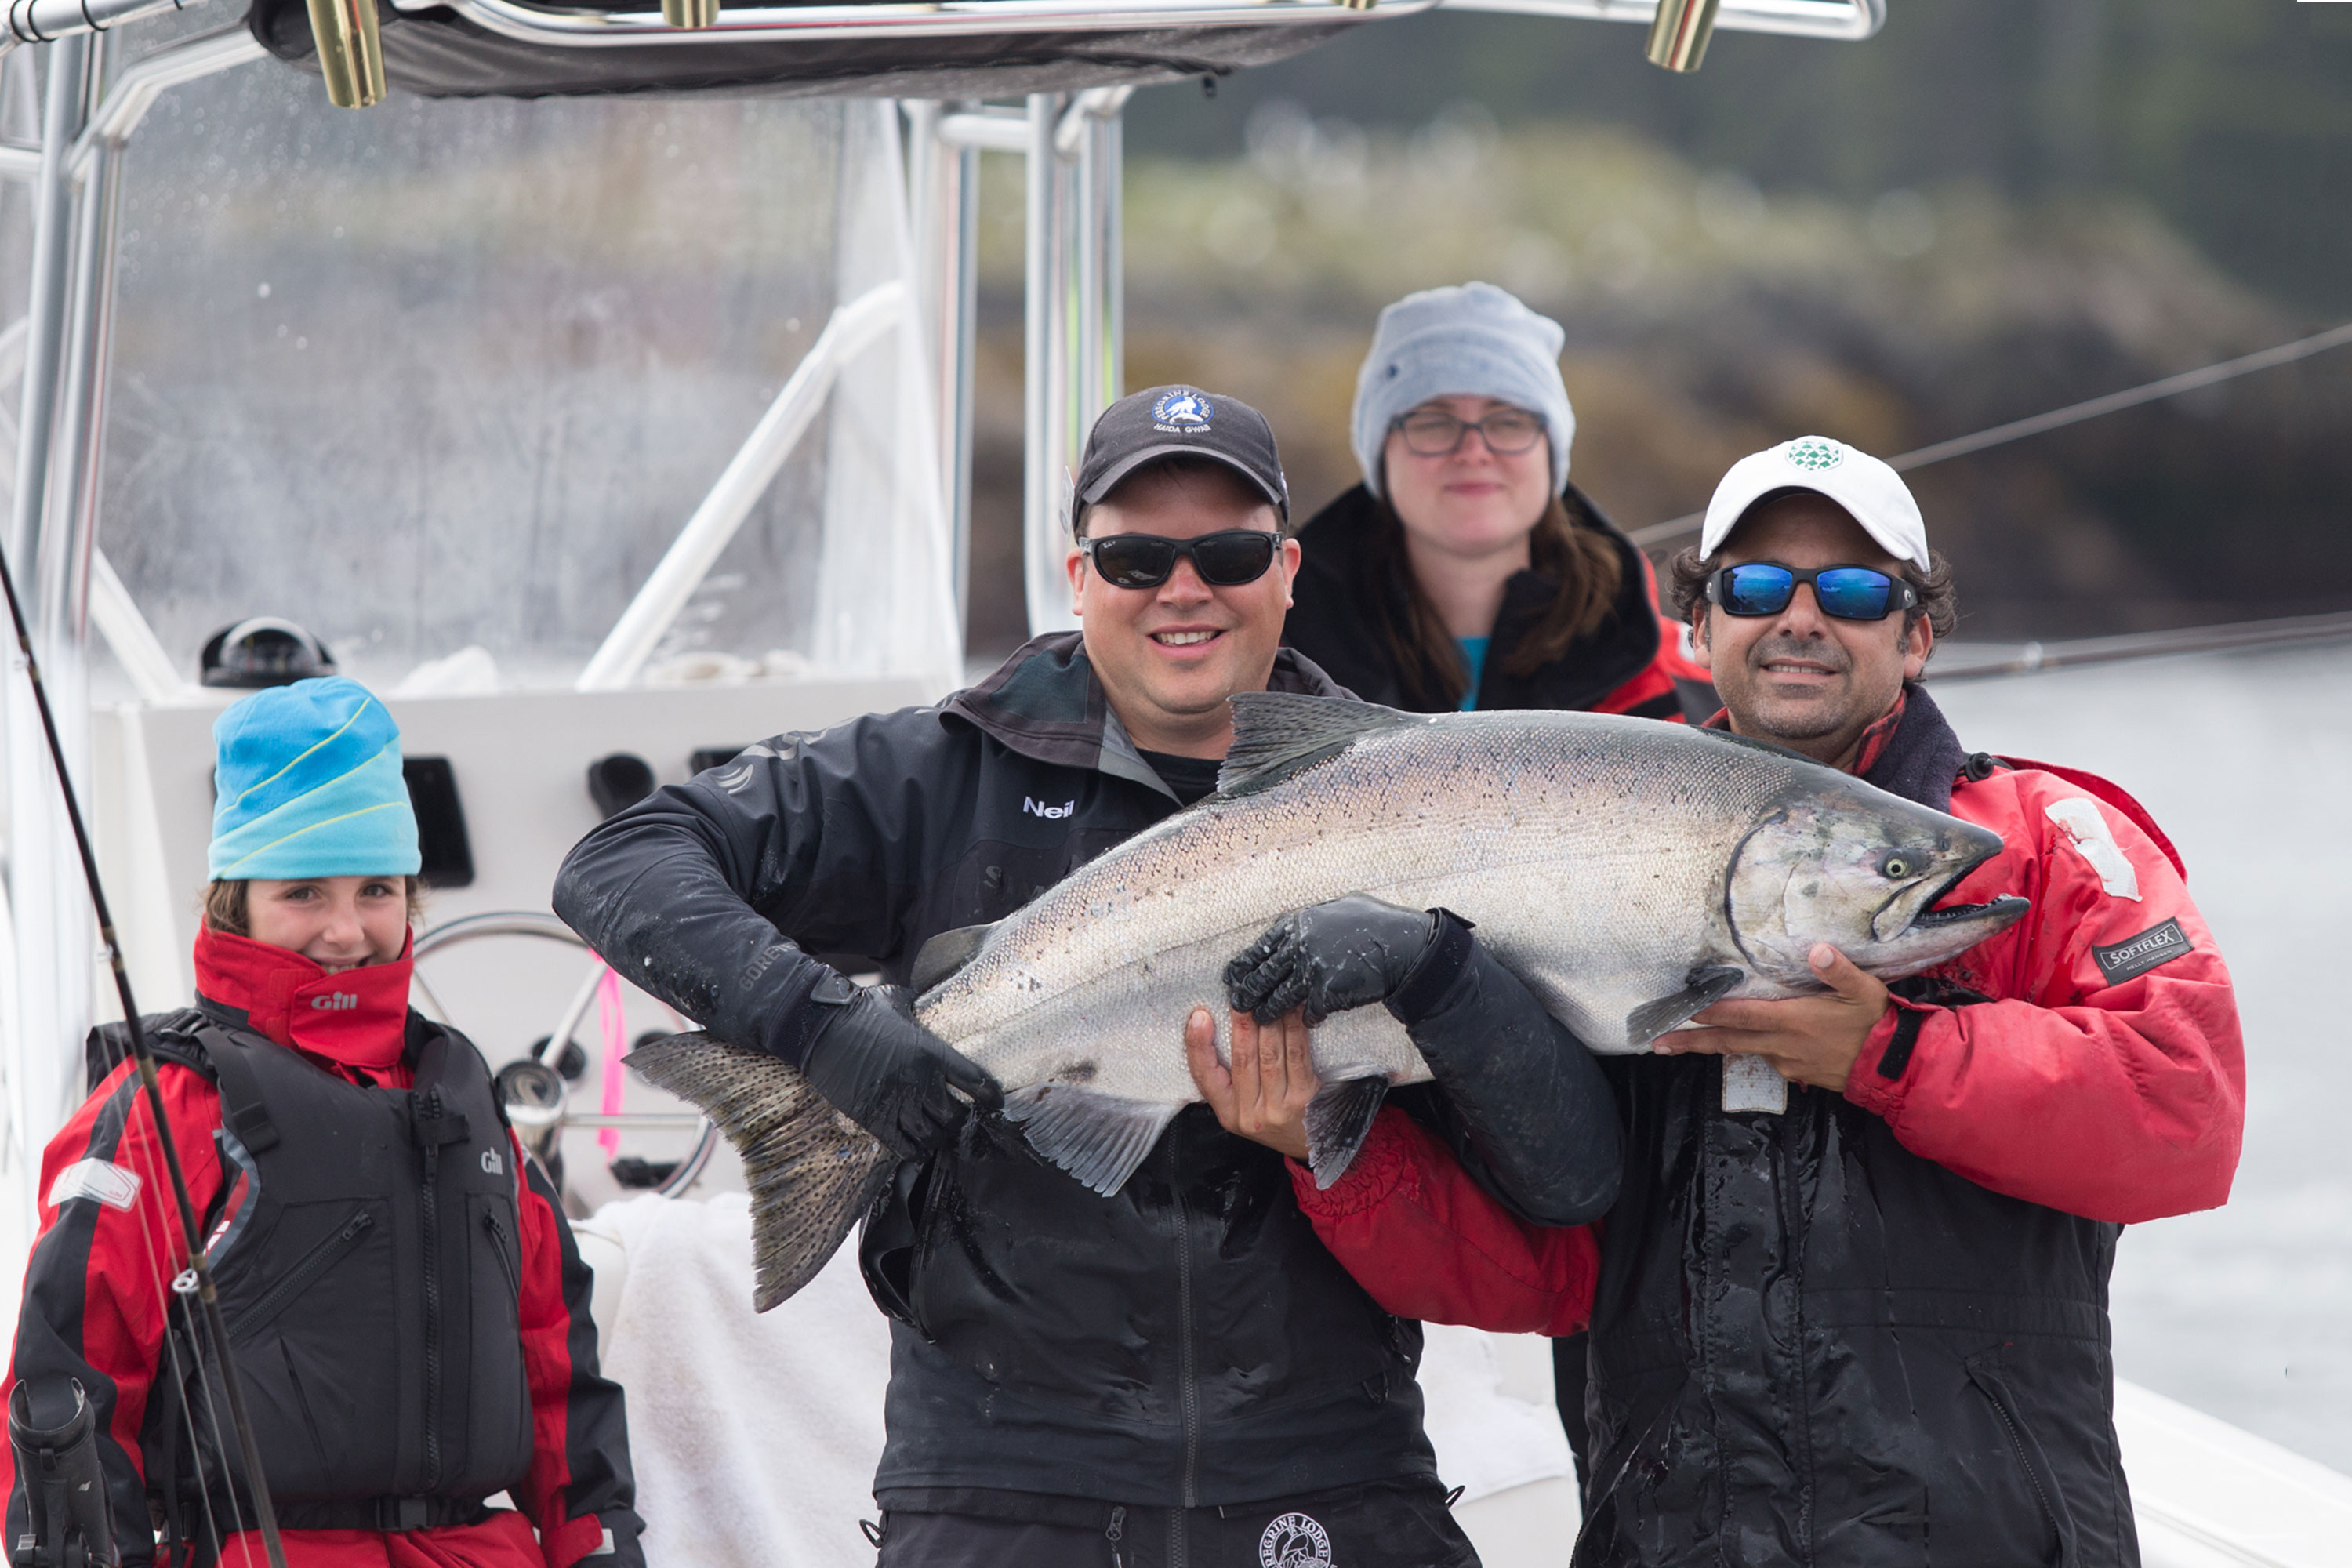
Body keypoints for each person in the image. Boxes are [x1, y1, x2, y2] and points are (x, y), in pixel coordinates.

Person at [552, 386, 1623, 1568]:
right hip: (1004, 1481)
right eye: (1134, 555)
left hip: (1332, 1462)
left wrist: (1423, 1000)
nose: (1183, 588)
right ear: (1077, 576)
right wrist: (829, 1037)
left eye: (1226, 552)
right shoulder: (932, 775)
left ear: (1287, 569)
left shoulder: (1423, 790)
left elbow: (1567, 1175)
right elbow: (621, 862)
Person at [1195, 436, 2246, 1566]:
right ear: (1699, 628)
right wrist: (1328, 1152)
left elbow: (2188, 1111)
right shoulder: (1579, 854)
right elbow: (1542, 1271)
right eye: (1752, 586)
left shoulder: (2041, 843)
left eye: (1850, 589)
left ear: (1917, 634)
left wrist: (1887, 1056)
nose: (1799, 616)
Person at [1, 677, 643, 1568]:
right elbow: (66, 1383)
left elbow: (555, 1361)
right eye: (305, 890)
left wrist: (597, 1545)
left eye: (376, 887)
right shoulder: (167, 1108)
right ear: (237, 900)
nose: (347, 929)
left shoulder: (464, 1093)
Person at [1283, 281, 1711, 721]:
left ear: (1551, 451)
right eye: (1433, 422)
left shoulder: (1697, 680)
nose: (1473, 451)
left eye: (1508, 421)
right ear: (1380, 454)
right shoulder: (1272, 676)